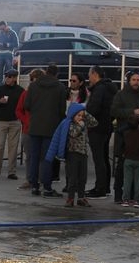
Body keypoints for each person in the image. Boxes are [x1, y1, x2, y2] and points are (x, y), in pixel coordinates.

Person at [110, 70, 139, 204]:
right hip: (124, 135)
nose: (136, 82)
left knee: (138, 166)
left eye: (138, 80)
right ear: (129, 81)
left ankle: (135, 195)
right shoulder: (121, 95)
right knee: (121, 167)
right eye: (134, 80)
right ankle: (119, 195)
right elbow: (114, 111)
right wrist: (132, 112)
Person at [24, 63, 67, 197]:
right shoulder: (60, 87)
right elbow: (62, 110)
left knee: (34, 157)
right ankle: (47, 187)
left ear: (46, 72)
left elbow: (27, 105)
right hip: (51, 128)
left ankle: (34, 186)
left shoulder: (33, 85)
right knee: (47, 158)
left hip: (35, 126)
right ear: (56, 74)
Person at [46, 103, 98, 207]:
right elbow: (74, 133)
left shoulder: (84, 121)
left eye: (82, 116)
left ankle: (81, 197)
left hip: (83, 153)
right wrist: (80, 124)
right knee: (72, 177)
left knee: (83, 177)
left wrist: (85, 113)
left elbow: (95, 122)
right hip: (72, 154)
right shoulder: (69, 124)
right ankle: (70, 198)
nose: (80, 118)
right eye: (78, 115)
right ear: (72, 115)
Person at [85, 66, 118, 199]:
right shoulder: (110, 88)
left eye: (89, 74)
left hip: (97, 127)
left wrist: (85, 114)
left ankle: (100, 188)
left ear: (95, 74)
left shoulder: (99, 89)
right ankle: (105, 186)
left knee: (99, 159)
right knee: (104, 158)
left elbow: (94, 108)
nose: (89, 78)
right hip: (106, 126)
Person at [0, 68, 23, 180]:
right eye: (6, 76)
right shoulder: (0, 89)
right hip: (1, 121)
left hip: (15, 121)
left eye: (9, 77)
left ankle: (11, 172)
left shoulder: (20, 90)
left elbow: (23, 106)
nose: (7, 78)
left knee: (13, 148)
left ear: (14, 78)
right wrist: (0, 101)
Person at [16, 68, 44, 190]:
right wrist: (27, 121)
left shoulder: (45, 94)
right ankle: (29, 179)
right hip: (28, 130)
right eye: (33, 80)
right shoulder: (25, 94)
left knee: (41, 157)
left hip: (41, 129)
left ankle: (40, 180)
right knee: (29, 157)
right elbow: (18, 110)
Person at [118, 115, 139, 207]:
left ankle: (125, 200)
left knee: (127, 180)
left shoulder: (126, 133)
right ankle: (136, 200)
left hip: (128, 159)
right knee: (138, 181)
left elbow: (120, 138)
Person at [0, 21, 19, 86]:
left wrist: (6, 44)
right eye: (0, 27)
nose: (1, 29)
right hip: (0, 54)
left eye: (2, 27)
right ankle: (0, 88)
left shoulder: (12, 33)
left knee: (8, 71)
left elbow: (16, 44)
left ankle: (8, 86)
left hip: (8, 54)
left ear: (5, 26)